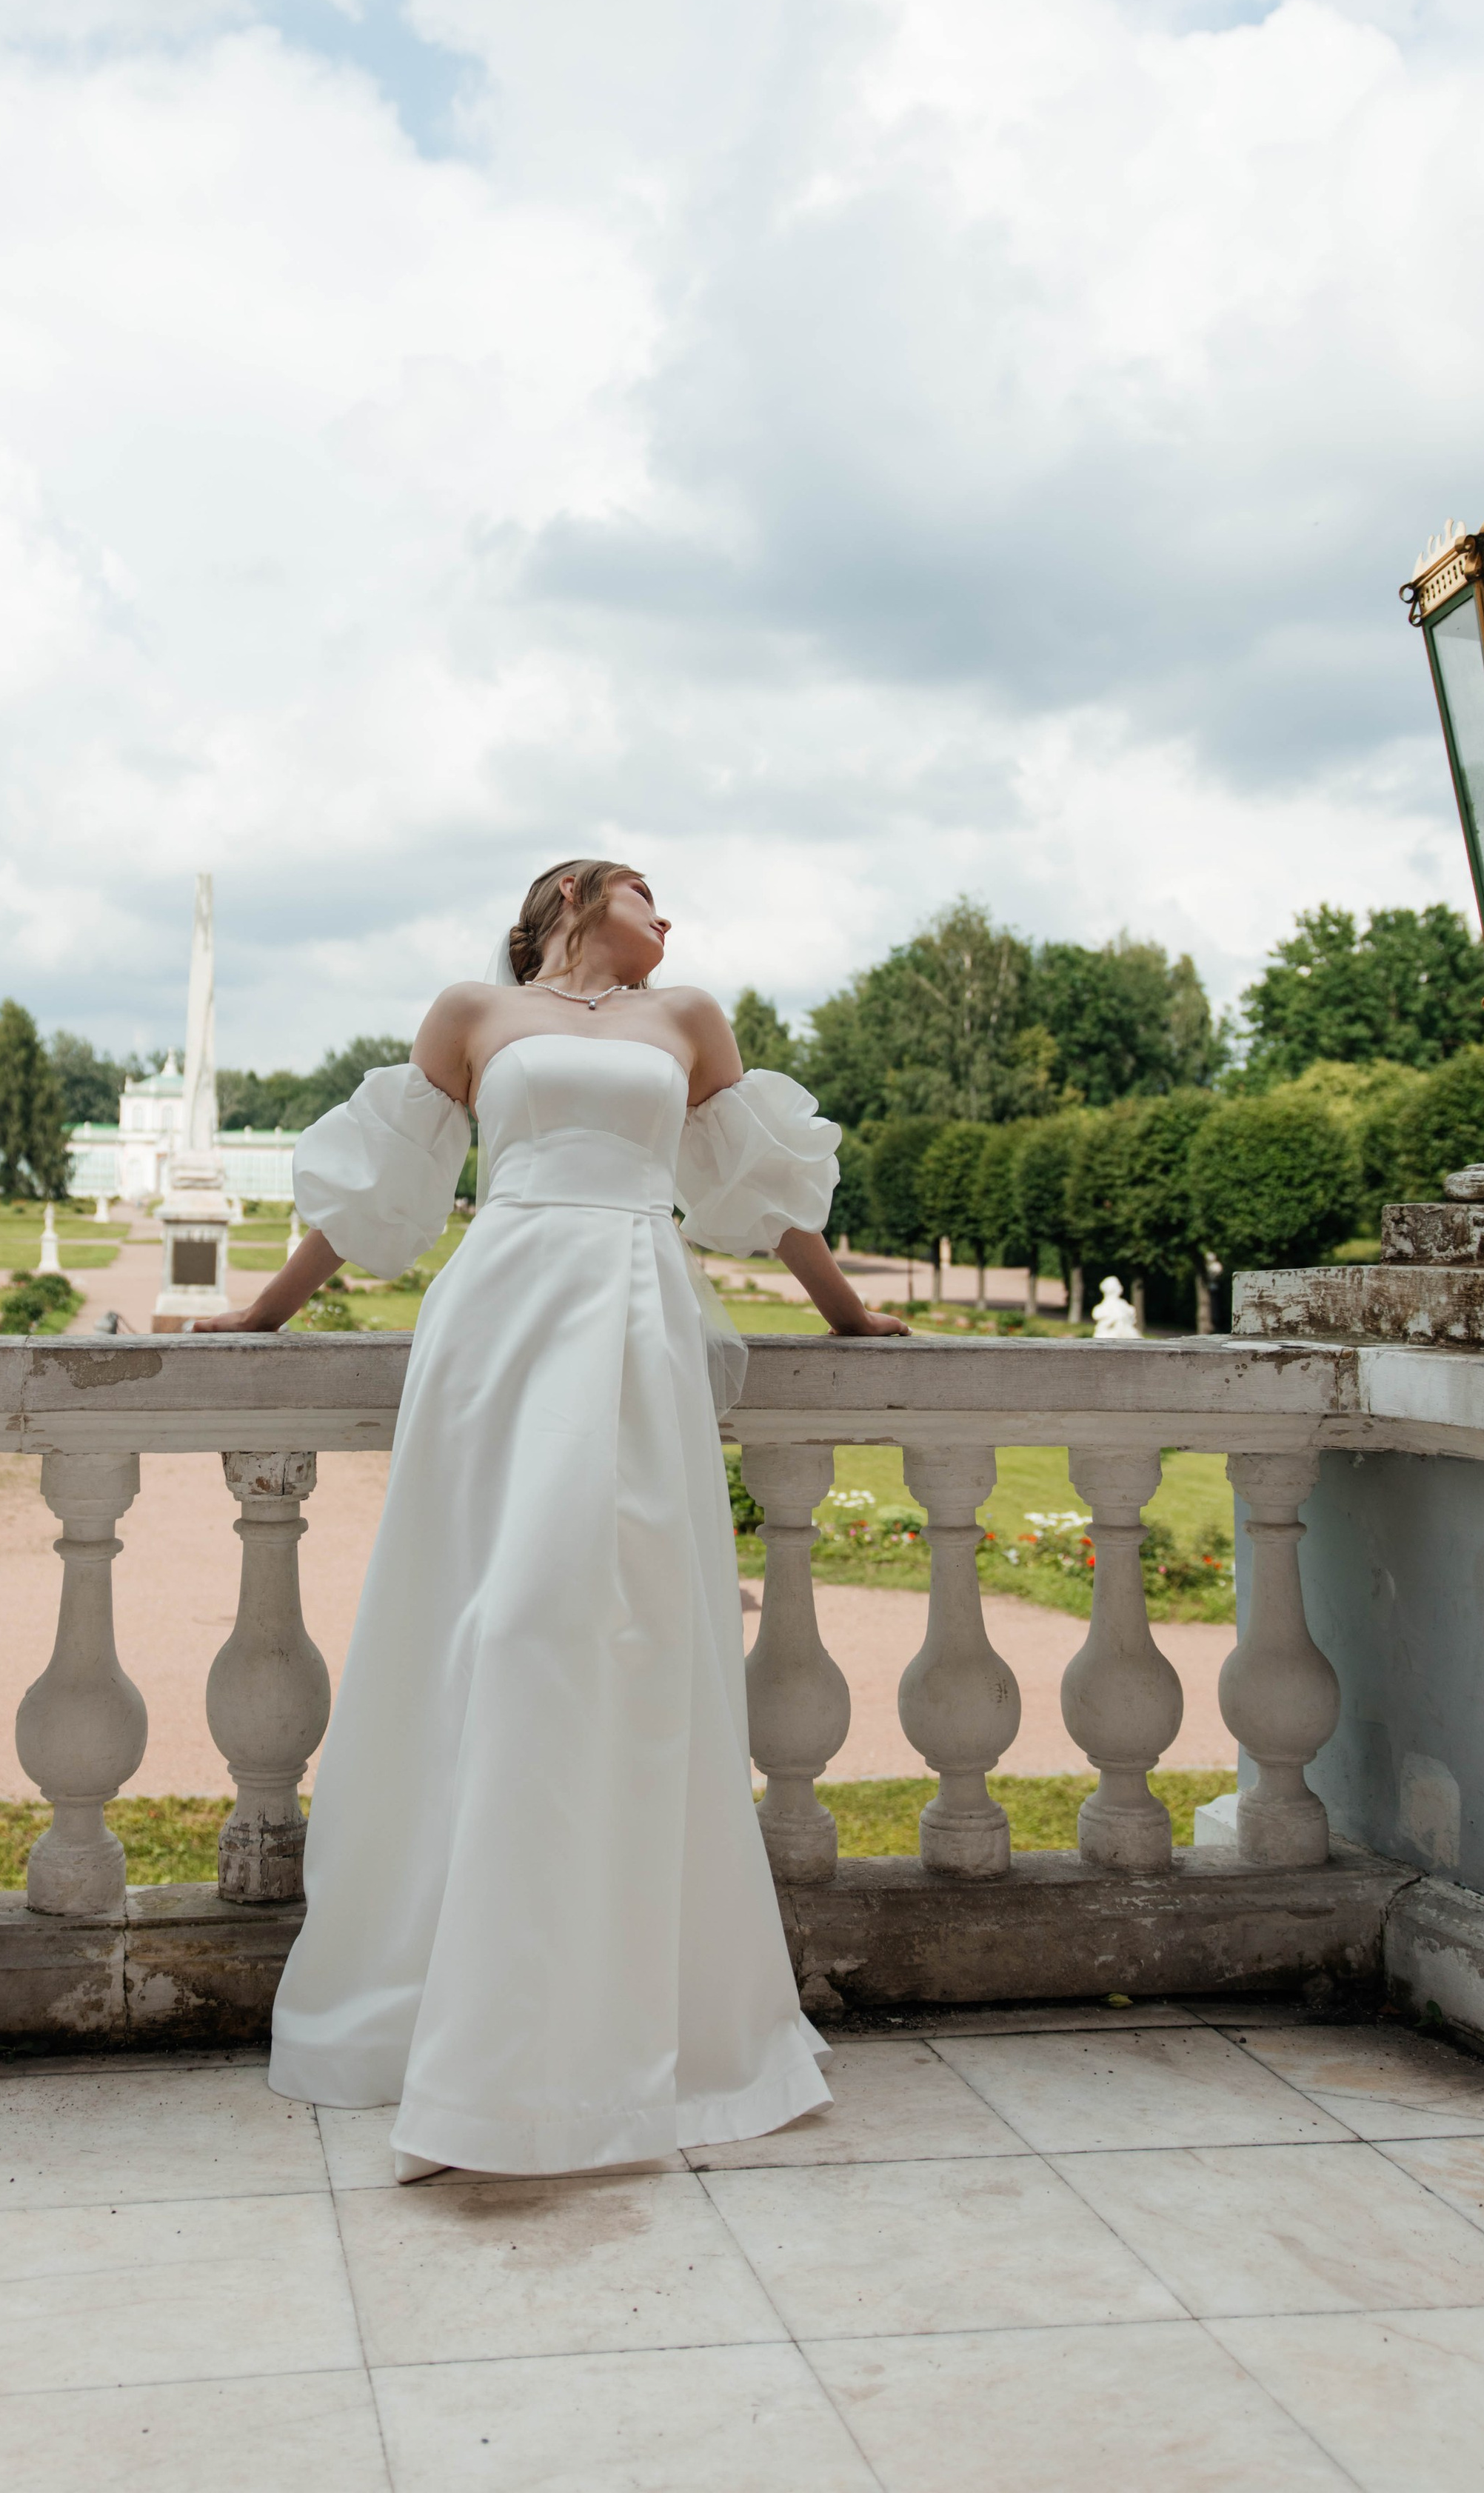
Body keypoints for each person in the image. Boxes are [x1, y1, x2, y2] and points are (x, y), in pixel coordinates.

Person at [188, 859, 908, 2180]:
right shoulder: (471, 1014)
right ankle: (459, 2024)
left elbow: (762, 1189)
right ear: (573, 896)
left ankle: (616, 2031)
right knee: (495, 1628)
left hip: (636, 1322)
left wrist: (848, 1314)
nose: (670, 919)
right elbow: (382, 1196)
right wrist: (265, 1311)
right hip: (502, 1322)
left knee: (622, 1644)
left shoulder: (688, 1019)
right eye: (647, 892)